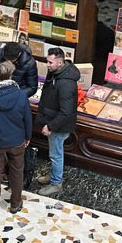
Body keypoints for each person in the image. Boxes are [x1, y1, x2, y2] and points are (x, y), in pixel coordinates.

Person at [0, 61, 32, 215]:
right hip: (16, 140)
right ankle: (15, 203)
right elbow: (27, 119)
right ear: (10, 76)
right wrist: (27, 137)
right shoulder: (21, 95)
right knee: (17, 171)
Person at [35, 47, 80, 197]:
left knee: (56, 155)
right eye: (47, 61)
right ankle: (54, 175)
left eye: (50, 62)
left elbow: (65, 112)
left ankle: (56, 183)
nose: (47, 65)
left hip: (58, 126)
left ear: (60, 63)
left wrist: (50, 126)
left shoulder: (66, 84)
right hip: (53, 120)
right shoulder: (56, 73)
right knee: (55, 153)